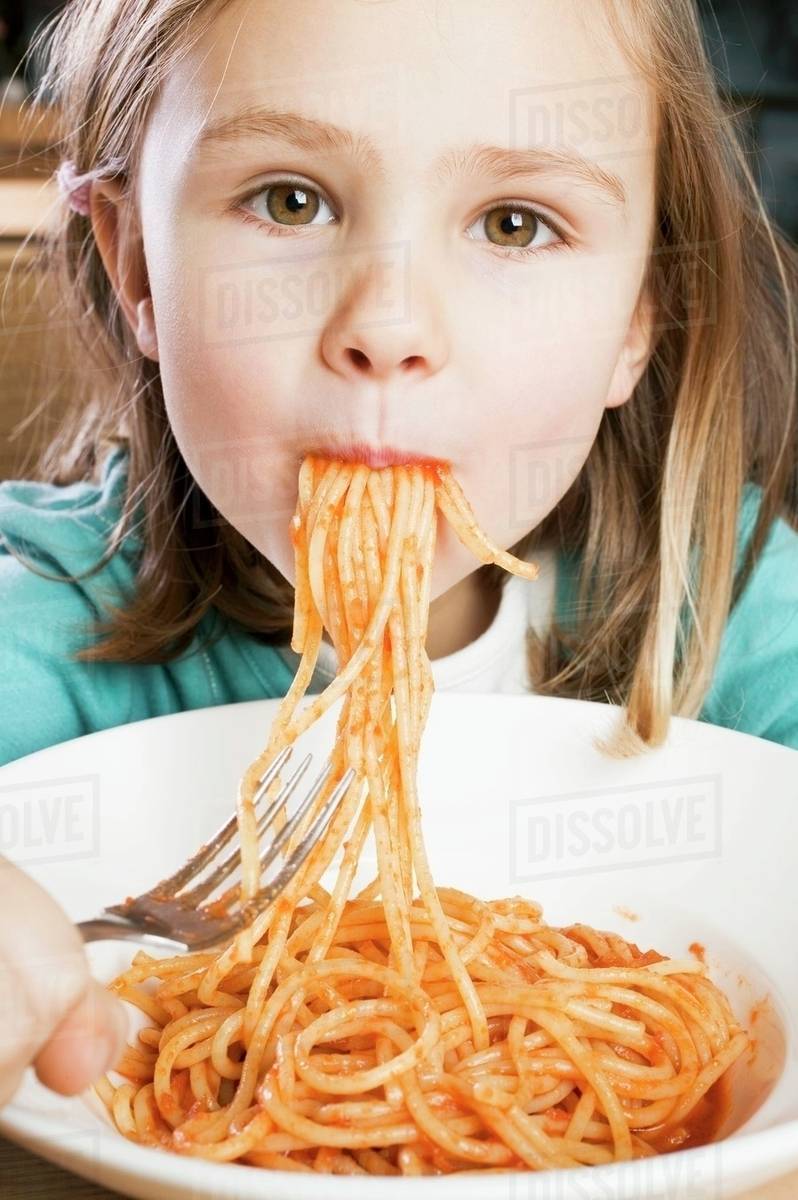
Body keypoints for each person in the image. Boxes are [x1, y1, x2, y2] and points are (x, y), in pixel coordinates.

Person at [0, 0, 795, 1114]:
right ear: (134, 264)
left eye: (515, 224)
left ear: (637, 317)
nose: (390, 321)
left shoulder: (730, 607)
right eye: (289, 200)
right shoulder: (40, 621)